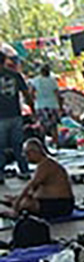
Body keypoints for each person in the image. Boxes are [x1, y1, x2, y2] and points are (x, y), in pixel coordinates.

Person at [1, 138, 73, 219]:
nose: (26, 158)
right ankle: (16, 202)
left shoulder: (46, 165)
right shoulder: (45, 164)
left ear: (33, 152)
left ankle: (16, 206)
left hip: (61, 205)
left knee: (26, 203)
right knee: (24, 200)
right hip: (54, 202)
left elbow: (29, 186)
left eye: (26, 154)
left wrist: (16, 205)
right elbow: (33, 189)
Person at [0, 53, 32, 183]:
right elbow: (26, 94)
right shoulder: (15, 75)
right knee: (18, 145)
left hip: (0, 117)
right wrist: (32, 110)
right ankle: (24, 170)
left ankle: (0, 174)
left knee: (0, 147)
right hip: (15, 115)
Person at [30, 64, 61, 149]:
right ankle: (56, 144)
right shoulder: (52, 81)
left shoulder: (35, 80)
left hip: (40, 106)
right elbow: (57, 94)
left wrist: (32, 104)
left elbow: (31, 93)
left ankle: (43, 145)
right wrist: (60, 106)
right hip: (52, 105)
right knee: (53, 126)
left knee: (42, 125)